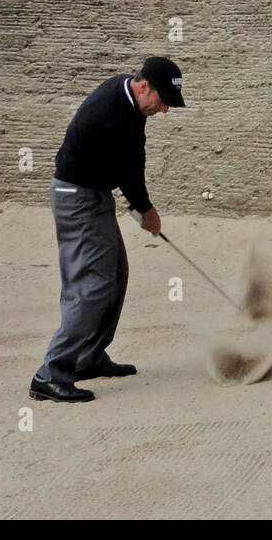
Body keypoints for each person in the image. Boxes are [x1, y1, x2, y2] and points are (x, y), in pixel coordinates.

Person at [30, 56, 187, 403]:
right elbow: (128, 172)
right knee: (93, 286)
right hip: (77, 200)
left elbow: (132, 160)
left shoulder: (127, 97)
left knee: (115, 274)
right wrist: (145, 211)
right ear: (144, 86)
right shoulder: (111, 113)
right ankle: (51, 373)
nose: (164, 110)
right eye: (163, 101)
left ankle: (87, 358)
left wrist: (142, 208)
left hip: (93, 194)